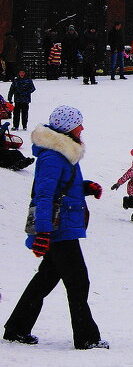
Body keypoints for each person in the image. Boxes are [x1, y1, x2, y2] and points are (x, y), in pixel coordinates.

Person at [4, 105, 108, 350]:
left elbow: (61, 187)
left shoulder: (63, 153)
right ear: (69, 127)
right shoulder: (54, 156)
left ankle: (17, 328)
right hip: (58, 229)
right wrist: (43, 233)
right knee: (78, 281)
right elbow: (44, 195)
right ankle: (87, 338)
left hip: (60, 226)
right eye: (79, 124)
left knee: (46, 279)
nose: (82, 128)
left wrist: (85, 187)